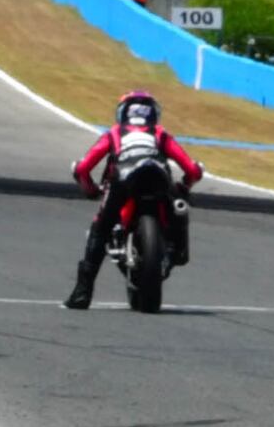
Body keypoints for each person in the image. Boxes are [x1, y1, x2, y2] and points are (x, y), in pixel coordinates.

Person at [63, 89, 202, 307]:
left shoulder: (114, 134)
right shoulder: (161, 135)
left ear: (122, 113)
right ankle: (174, 251)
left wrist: (91, 190)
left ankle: (83, 292)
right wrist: (184, 186)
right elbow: (193, 170)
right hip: (158, 176)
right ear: (153, 114)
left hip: (123, 179)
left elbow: (82, 168)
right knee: (179, 203)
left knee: (100, 229)